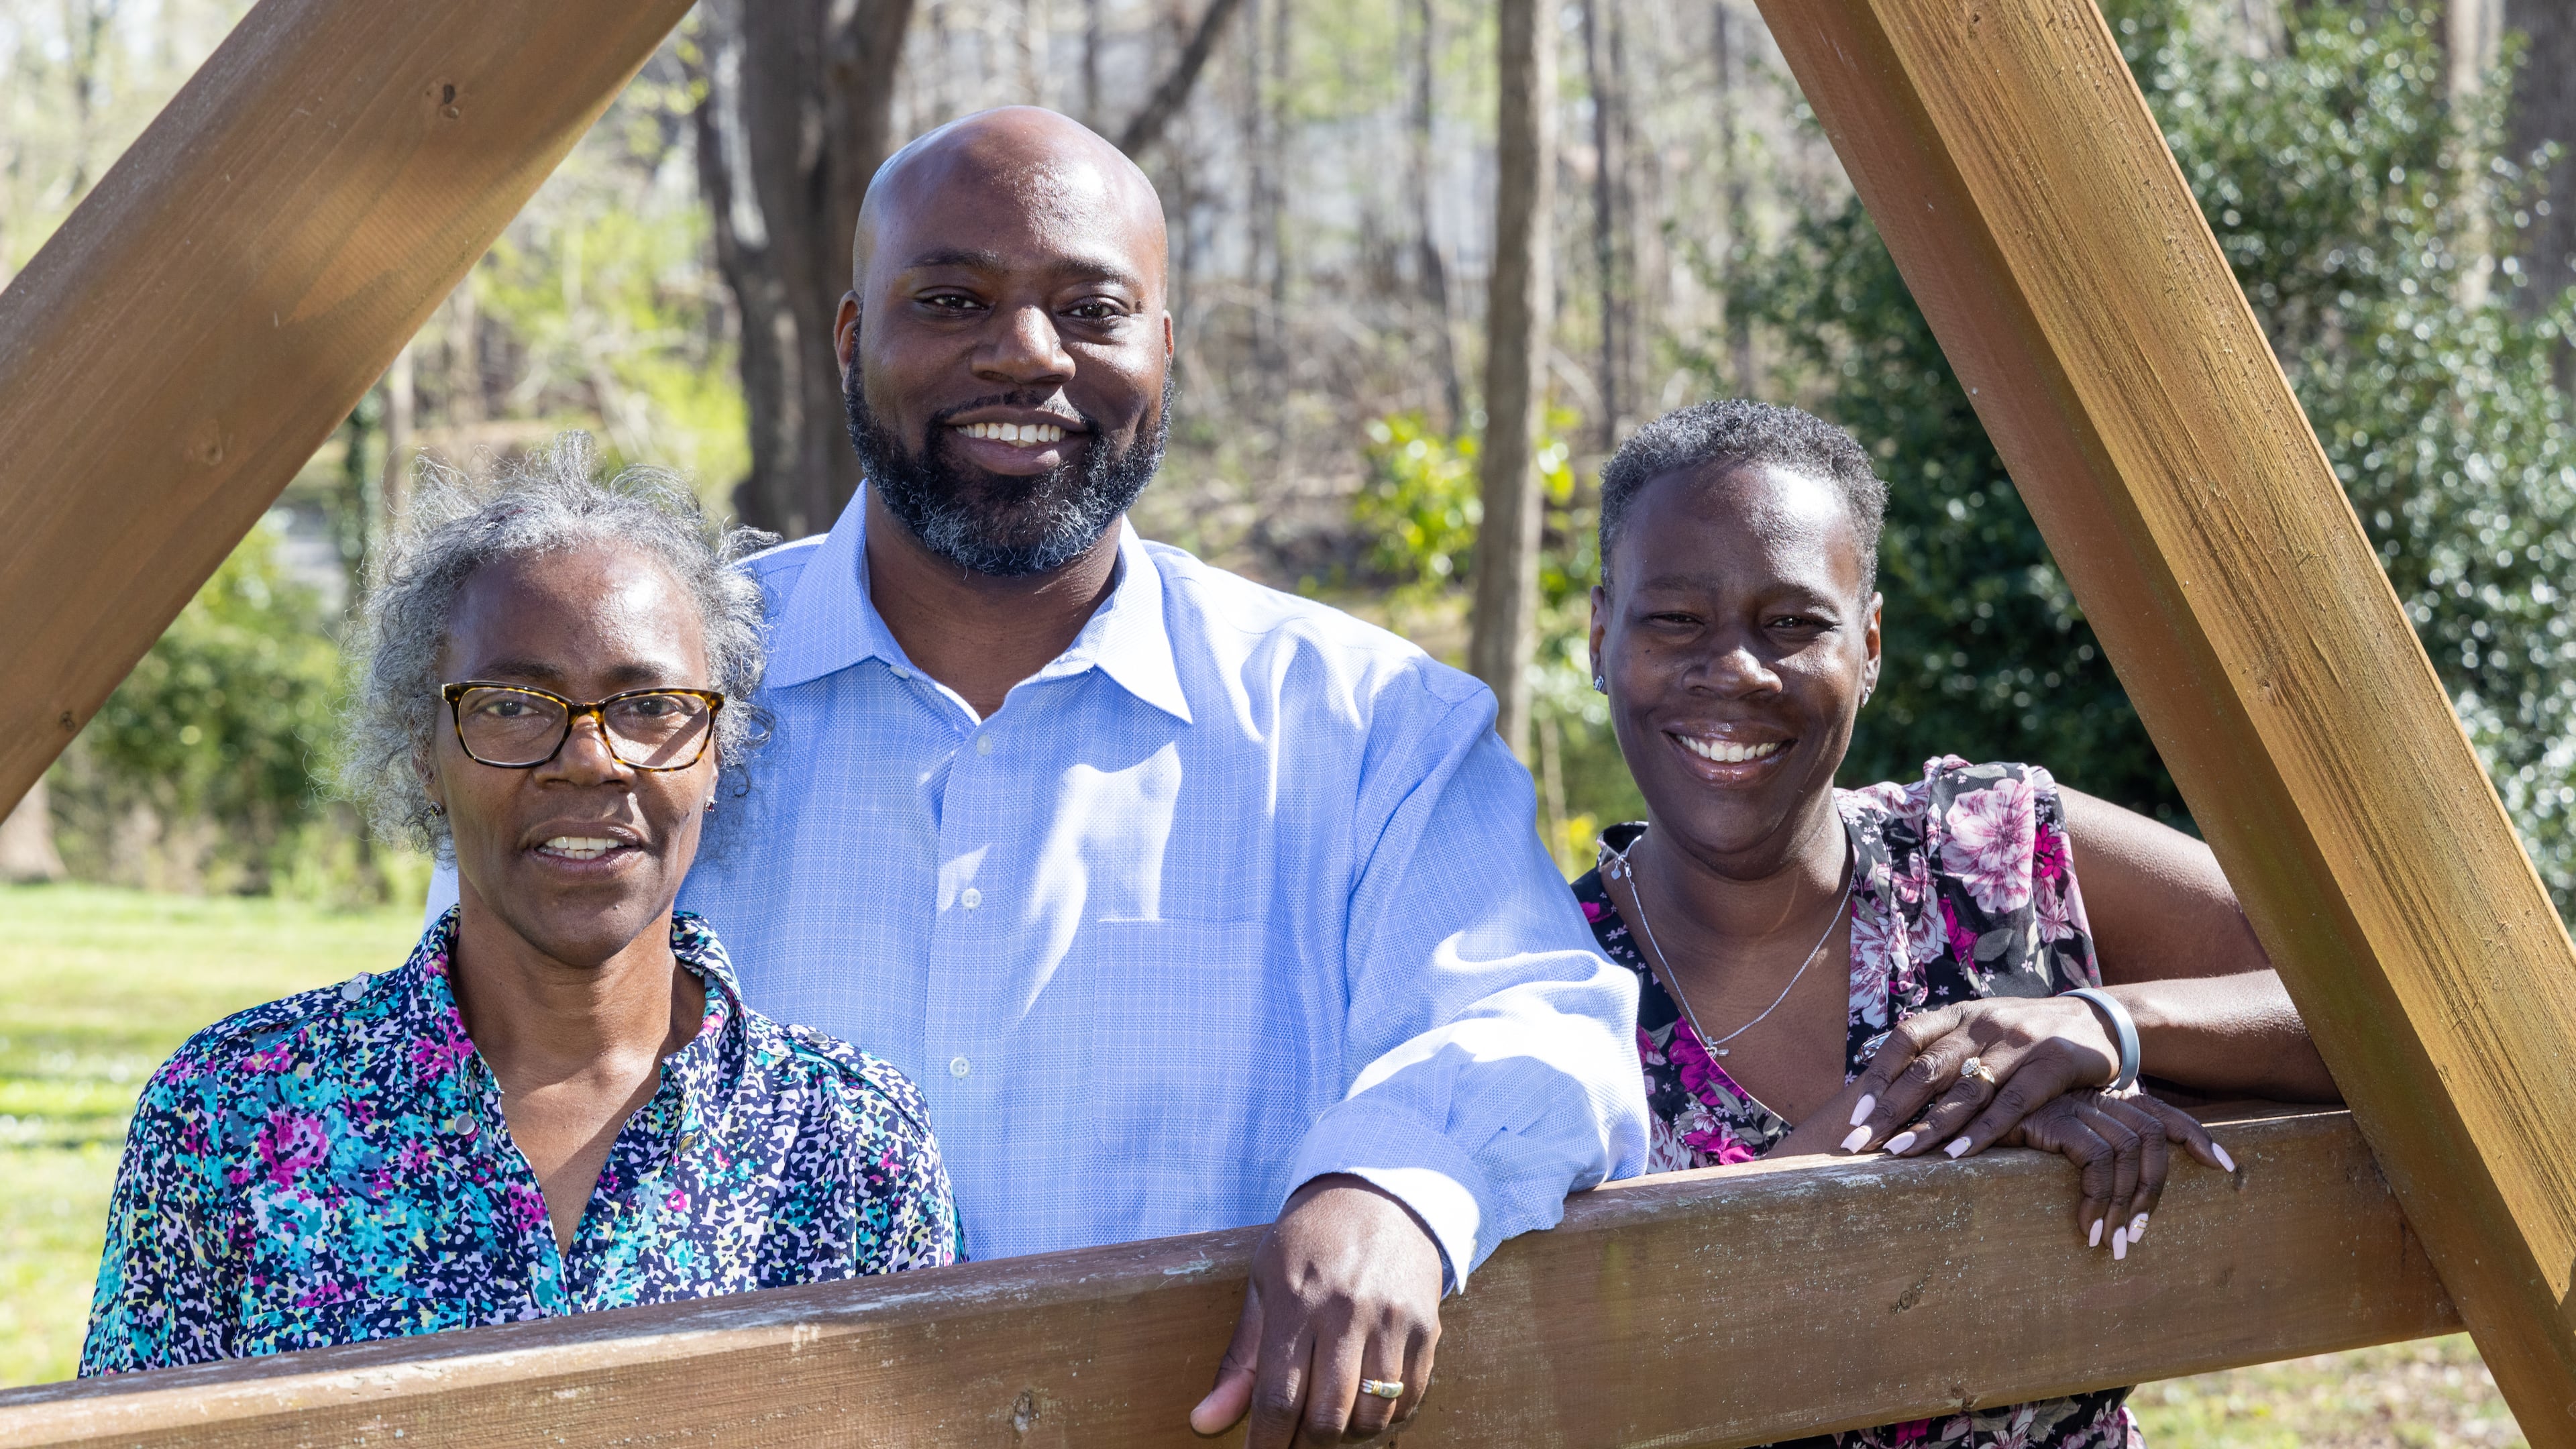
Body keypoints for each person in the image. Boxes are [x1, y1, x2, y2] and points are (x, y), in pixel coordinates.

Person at [419, 106, 1648, 1446]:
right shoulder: (643, 713)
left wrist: (1399, 1185)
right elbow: (447, 1067)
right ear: (852, 341)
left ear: (1162, 356)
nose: (1024, 352)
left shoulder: (1369, 730)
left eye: (1091, 306)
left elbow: (1544, 1030)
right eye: (952, 298)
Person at [83, 441, 957, 1375]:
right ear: (424, 748)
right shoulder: (232, 1117)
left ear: (716, 752)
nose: (590, 758)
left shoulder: (844, 1144)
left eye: (652, 704)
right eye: (512, 705)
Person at [1576, 399, 2341, 1448]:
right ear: (1599, 635)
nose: (1739, 669)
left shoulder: (1991, 850)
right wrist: (1944, 1126)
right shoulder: (1547, 973)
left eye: (1794, 622)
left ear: (1872, 643)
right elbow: (1595, 1354)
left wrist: (2098, 1029)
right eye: (1675, 620)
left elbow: (2383, 1017)